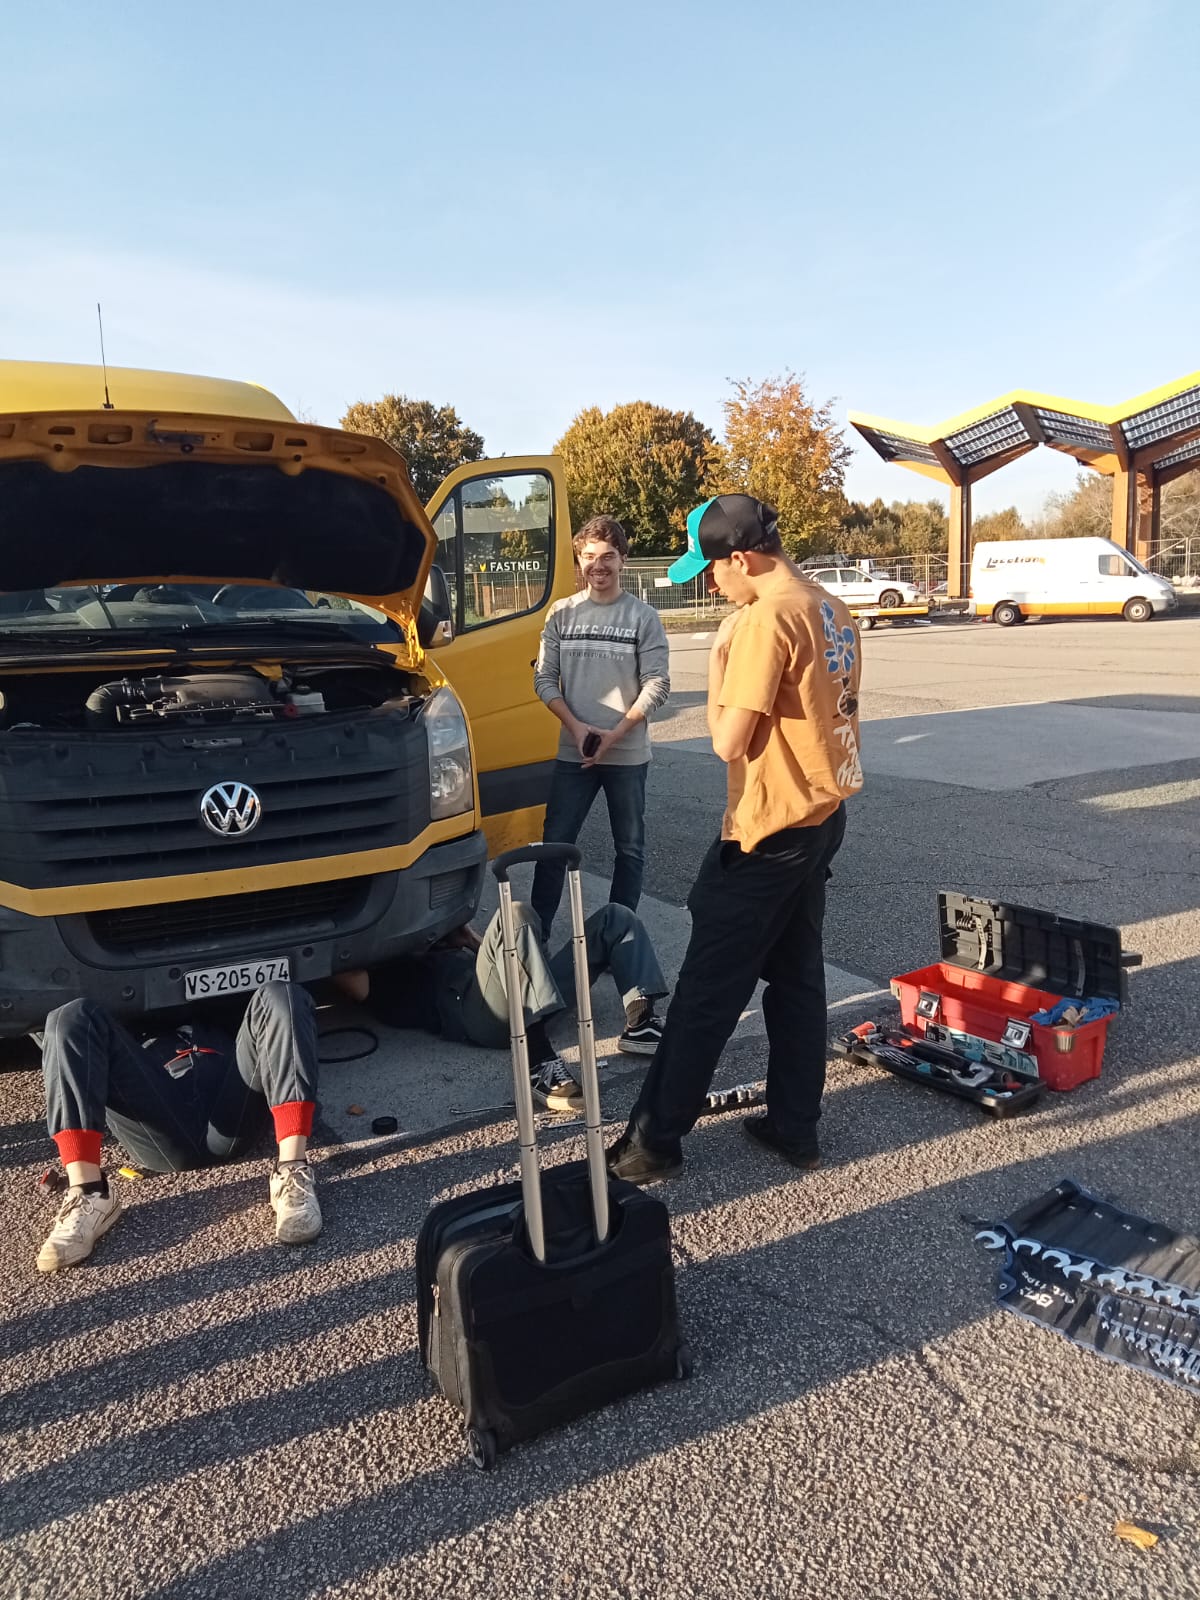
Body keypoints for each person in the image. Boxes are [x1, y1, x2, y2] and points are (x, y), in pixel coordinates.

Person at [606, 494, 864, 1185]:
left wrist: (720, 656)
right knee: (798, 977)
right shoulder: (829, 605)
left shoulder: (766, 620)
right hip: (821, 813)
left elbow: (727, 740)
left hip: (770, 827)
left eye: (713, 570)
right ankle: (795, 1126)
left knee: (706, 992)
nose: (711, 584)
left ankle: (653, 1142)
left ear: (742, 558)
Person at [35, 981, 322, 1273]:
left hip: (233, 1107)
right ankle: (89, 1192)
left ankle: (292, 1171)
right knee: (70, 1016)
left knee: (282, 994)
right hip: (161, 1122)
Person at [350, 900, 670, 1114]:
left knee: (615, 917)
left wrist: (471, 941)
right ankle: (537, 1060)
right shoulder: (381, 974)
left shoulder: (435, 943)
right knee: (513, 913)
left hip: (533, 996)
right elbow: (350, 978)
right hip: (481, 1017)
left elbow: (505, 963)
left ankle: (640, 1021)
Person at [531, 515, 670, 941]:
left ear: (623, 559)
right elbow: (543, 679)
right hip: (574, 751)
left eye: (608, 556)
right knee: (554, 844)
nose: (598, 565)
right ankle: (535, 937)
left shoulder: (643, 617)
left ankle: (616, 938)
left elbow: (657, 684)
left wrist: (615, 734)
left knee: (629, 848)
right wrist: (575, 727)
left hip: (626, 754)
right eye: (589, 556)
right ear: (579, 560)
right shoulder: (561, 614)